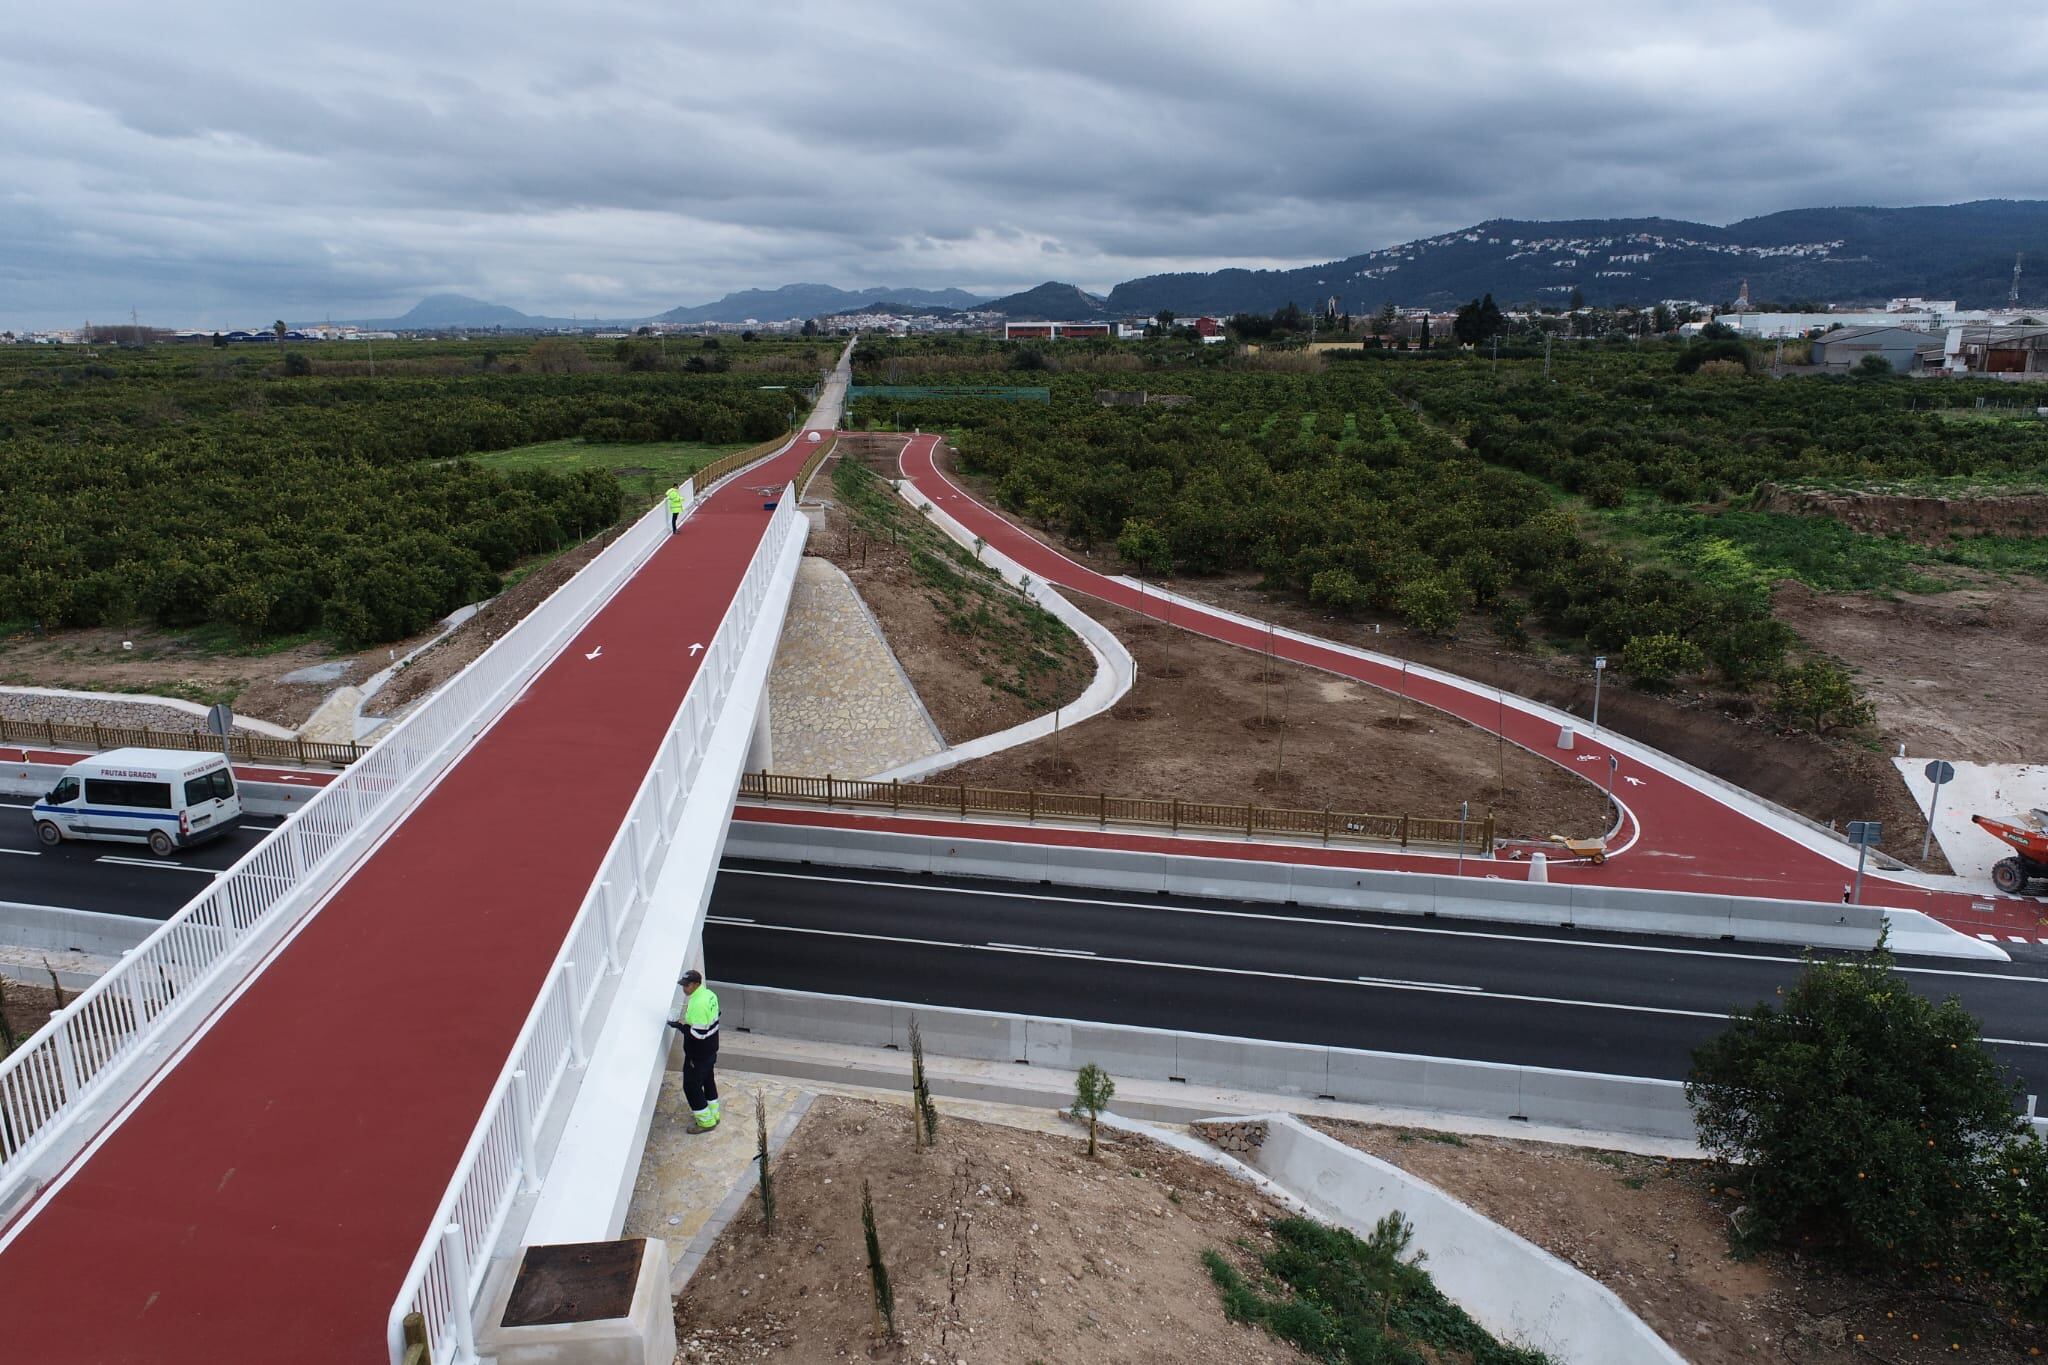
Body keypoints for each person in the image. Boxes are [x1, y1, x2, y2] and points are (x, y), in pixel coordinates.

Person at [666, 968, 720, 1131]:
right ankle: (714, 1114)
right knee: (708, 1080)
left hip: (698, 1055)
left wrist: (680, 1026)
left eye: (687, 985)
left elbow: (698, 1034)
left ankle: (706, 1122)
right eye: (683, 985)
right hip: (711, 1049)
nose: (684, 988)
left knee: (691, 1086)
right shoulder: (710, 995)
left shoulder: (697, 1003)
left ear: (696, 984)